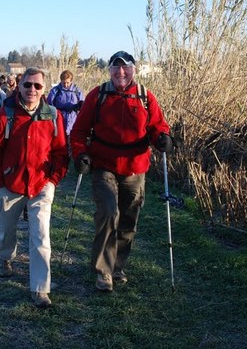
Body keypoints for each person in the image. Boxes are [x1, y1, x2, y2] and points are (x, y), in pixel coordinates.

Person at [70, 51, 172, 292]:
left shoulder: (145, 97)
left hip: (135, 167)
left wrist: (161, 139)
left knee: (128, 220)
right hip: (103, 165)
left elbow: (157, 126)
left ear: (133, 70)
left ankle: (117, 266)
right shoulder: (98, 95)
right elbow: (79, 131)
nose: (121, 73)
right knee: (108, 212)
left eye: (125, 68)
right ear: (110, 72)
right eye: (116, 69)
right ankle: (103, 271)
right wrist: (81, 154)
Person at [0, 67, 68, 308]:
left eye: (37, 86)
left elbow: (61, 152)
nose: (32, 89)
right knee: (6, 230)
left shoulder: (52, 115)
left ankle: (40, 288)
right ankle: (5, 258)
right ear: (19, 86)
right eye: (28, 85)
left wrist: (53, 180)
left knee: (41, 235)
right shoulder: (6, 114)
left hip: (41, 185)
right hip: (11, 184)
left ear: (44, 89)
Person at [47, 70, 85, 143]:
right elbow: (49, 106)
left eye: (68, 82)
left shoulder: (77, 91)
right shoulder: (55, 91)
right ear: (61, 81)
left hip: (73, 119)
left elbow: (83, 106)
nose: (66, 85)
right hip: (59, 119)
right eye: (64, 82)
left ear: (71, 81)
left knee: (72, 142)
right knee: (60, 141)